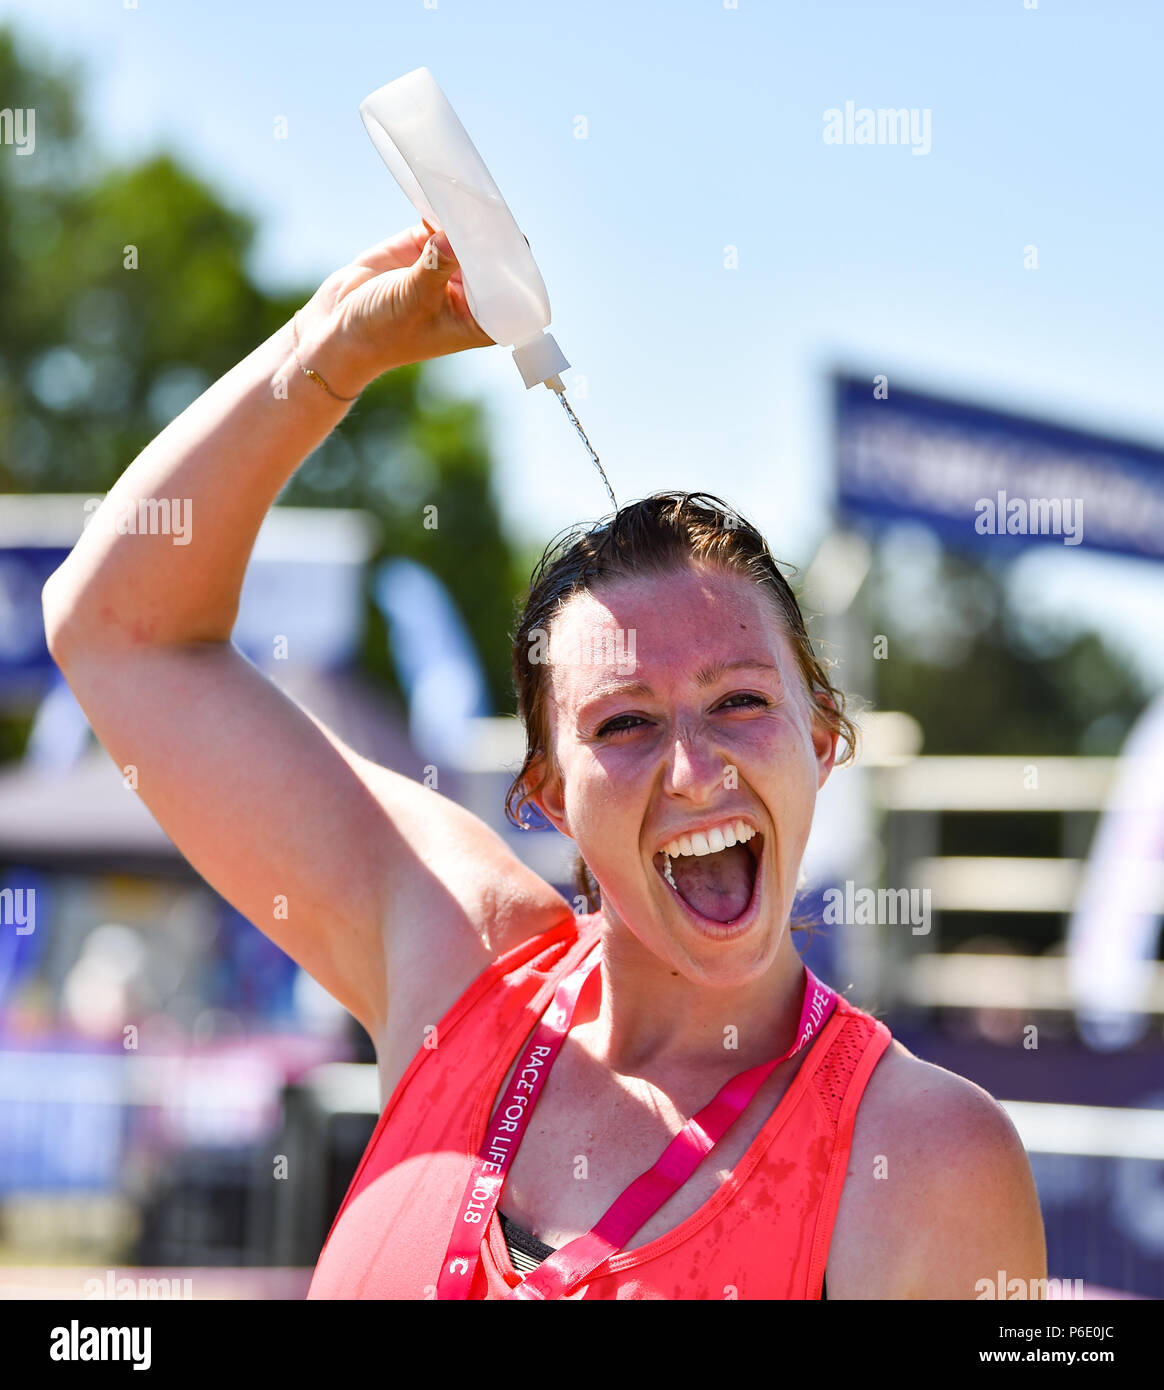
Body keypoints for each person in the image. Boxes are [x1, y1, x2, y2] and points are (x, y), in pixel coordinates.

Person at [42, 224, 1047, 1300]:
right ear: (550, 799)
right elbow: (113, 628)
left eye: (741, 702)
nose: (694, 768)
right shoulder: (457, 966)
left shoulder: (927, 1156)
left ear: (821, 740)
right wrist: (328, 356)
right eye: (624, 724)